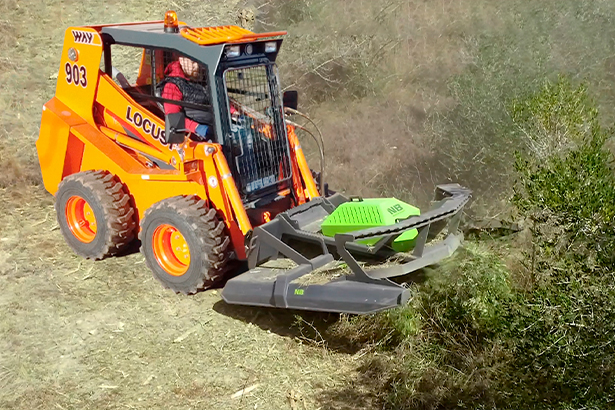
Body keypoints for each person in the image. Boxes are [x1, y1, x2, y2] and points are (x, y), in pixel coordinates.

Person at [156, 56, 214, 141]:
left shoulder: (204, 78)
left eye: (198, 62)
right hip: (197, 134)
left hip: (216, 125)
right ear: (181, 60)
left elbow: (215, 97)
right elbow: (173, 118)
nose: (196, 66)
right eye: (193, 62)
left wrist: (233, 112)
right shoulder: (172, 86)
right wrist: (197, 127)